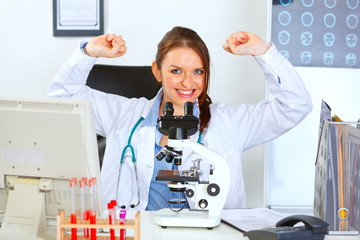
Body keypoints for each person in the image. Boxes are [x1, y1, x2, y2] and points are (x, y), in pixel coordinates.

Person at [48, 26, 312, 210]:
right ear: (157, 71)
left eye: (198, 71)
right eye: (176, 70)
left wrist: (263, 52)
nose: (188, 82)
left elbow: (296, 105)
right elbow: (62, 97)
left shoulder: (230, 123)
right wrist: (88, 53)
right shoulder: (124, 116)